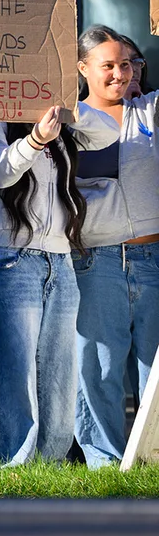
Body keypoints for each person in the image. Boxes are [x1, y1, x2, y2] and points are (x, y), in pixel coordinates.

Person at [0, 90, 118, 465]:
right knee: (13, 373)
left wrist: (67, 103)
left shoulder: (61, 114)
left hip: (59, 258)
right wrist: (35, 140)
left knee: (59, 374)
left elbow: (108, 132)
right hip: (7, 257)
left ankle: (48, 470)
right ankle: (8, 470)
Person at [72, 26, 159, 469]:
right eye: (108, 65)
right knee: (99, 371)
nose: (119, 74)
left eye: (126, 64)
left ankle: (153, 463)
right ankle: (102, 463)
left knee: (156, 372)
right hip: (96, 261)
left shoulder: (147, 111)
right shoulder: (64, 121)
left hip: (152, 260)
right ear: (83, 68)